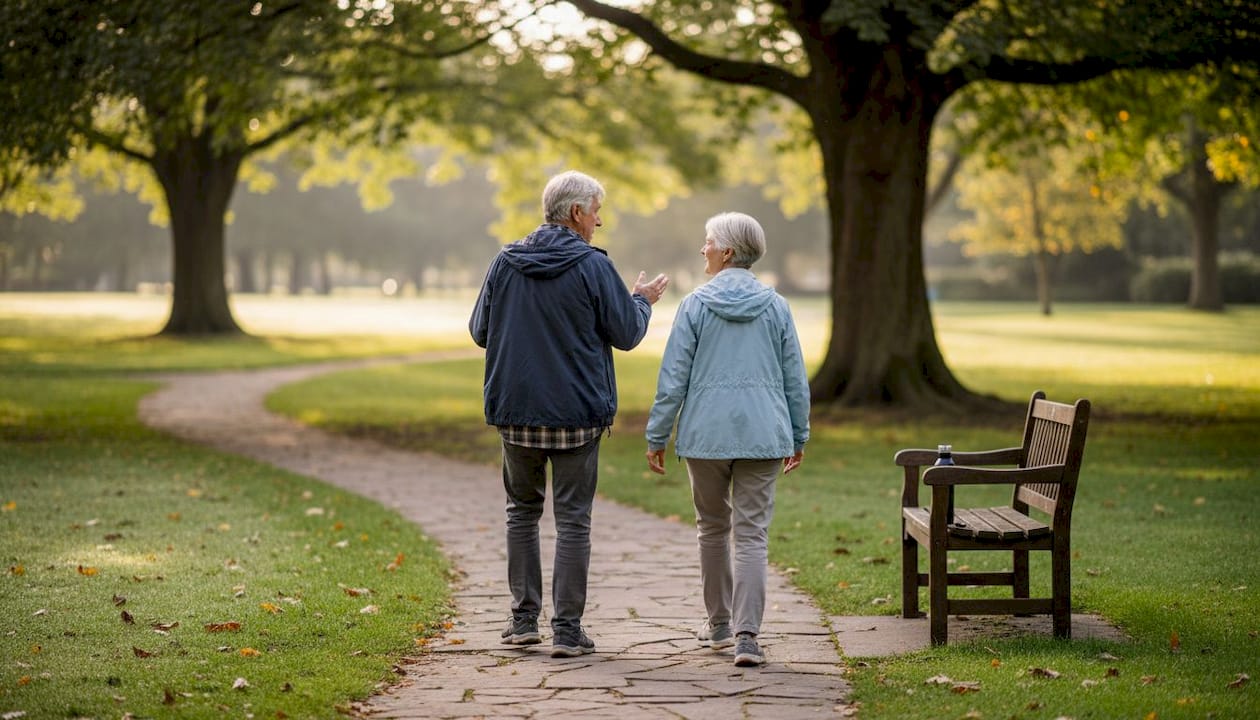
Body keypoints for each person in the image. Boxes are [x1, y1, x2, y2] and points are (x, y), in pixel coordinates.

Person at [469, 170, 669, 658]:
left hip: (516, 413)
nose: (599, 222)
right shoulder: (593, 265)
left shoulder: (505, 261)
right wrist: (640, 301)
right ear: (577, 212)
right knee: (574, 519)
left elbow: (479, 331)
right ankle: (566, 630)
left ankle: (522, 622)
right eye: (597, 211)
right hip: (578, 414)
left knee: (522, 512)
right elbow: (626, 333)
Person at [644, 211, 809, 667]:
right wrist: (799, 433)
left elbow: (673, 377)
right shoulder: (776, 305)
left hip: (706, 437)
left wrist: (658, 434)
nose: (703, 249)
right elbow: (795, 378)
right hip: (764, 434)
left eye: (709, 241)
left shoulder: (695, 305)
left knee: (713, 529)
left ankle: (719, 625)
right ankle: (747, 636)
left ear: (728, 251)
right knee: (752, 533)